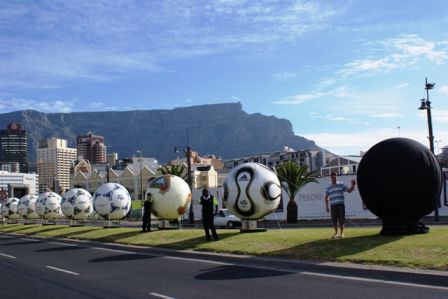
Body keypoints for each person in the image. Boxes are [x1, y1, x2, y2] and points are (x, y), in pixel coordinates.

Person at [325, 172, 356, 239]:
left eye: (335, 177)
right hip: (333, 206)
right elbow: (326, 197)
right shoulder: (328, 187)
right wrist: (327, 206)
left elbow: (349, 190)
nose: (334, 179)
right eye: (333, 178)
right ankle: (336, 233)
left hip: (341, 205)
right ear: (331, 178)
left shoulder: (341, 184)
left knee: (341, 220)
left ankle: (341, 233)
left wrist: (353, 185)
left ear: (337, 177)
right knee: (334, 220)